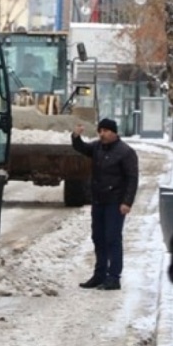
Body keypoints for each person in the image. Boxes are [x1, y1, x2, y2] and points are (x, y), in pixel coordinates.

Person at [72, 118, 139, 291]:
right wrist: (76, 137)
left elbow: (132, 179)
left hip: (115, 203)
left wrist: (127, 202)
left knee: (112, 239)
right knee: (98, 238)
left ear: (114, 132)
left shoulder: (125, 152)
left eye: (106, 131)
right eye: (100, 131)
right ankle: (99, 274)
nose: (102, 134)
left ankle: (114, 277)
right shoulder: (97, 148)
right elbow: (82, 148)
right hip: (99, 201)